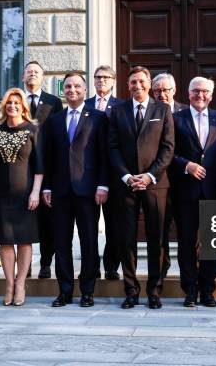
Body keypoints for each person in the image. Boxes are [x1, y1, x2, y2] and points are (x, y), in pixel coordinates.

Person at [108, 66, 174, 309]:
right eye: (133, 82)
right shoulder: (118, 111)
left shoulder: (162, 110)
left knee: (156, 240)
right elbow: (112, 148)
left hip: (156, 185)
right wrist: (126, 177)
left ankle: (154, 291)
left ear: (149, 84)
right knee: (127, 240)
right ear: (128, 85)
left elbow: (168, 148)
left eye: (141, 81)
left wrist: (148, 176)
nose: (137, 86)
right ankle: (131, 291)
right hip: (126, 186)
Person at [44, 73, 108, 308]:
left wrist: (103, 184)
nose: (72, 90)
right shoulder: (55, 119)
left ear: (84, 89)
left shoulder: (99, 118)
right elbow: (48, 157)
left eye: (77, 86)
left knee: (89, 241)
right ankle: (65, 291)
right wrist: (47, 187)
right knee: (61, 243)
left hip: (88, 190)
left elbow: (103, 154)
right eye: (68, 86)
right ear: (64, 90)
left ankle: (88, 291)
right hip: (60, 191)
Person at [171, 77, 216, 307]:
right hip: (185, 192)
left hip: (212, 191)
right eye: (195, 91)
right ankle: (190, 290)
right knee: (186, 243)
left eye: (204, 91)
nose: (200, 95)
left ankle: (208, 290)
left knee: (211, 244)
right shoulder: (176, 119)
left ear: (211, 95)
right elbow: (168, 152)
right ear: (188, 93)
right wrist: (187, 165)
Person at [0, 88, 43, 306]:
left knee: (25, 240)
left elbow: (39, 165)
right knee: (6, 241)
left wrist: (36, 192)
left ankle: (21, 284)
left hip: (26, 193)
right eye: (9, 103)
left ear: (23, 107)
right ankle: (9, 284)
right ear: (4, 106)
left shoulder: (32, 130)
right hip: (2, 195)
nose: (13, 106)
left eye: (17, 103)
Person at [23, 60, 63, 279]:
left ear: (43, 77)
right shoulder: (15, 99)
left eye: (36, 72)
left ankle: (46, 263)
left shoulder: (53, 102)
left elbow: (58, 134)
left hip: (47, 167)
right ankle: (25, 265)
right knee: (25, 217)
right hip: (22, 167)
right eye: (28, 72)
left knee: (48, 219)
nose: (32, 74)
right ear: (22, 77)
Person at [84, 65, 123, 281]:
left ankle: (111, 266)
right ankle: (91, 267)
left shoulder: (121, 106)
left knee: (113, 225)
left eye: (106, 77)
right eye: (97, 77)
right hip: (89, 173)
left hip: (114, 173)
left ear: (113, 81)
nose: (101, 80)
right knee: (89, 226)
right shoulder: (86, 104)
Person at [152, 72, 186, 278]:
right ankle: (162, 268)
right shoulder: (149, 112)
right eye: (157, 90)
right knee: (160, 229)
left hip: (182, 181)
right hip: (158, 180)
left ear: (173, 91)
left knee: (187, 230)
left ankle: (189, 271)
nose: (162, 94)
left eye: (165, 90)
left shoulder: (186, 112)